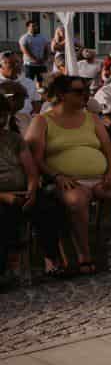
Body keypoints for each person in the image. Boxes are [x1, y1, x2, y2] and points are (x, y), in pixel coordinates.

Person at [26, 74, 111, 273]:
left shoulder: (91, 118)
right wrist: (57, 176)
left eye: (86, 91)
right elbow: (35, 158)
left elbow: (109, 148)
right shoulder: (42, 121)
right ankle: (84, 255)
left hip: (101, 178)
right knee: (76, 201)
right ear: (61, 94)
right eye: (78, 92)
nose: (85, 95)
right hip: (67, 181)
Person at [0, 90, 65, 278]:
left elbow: (30, 170)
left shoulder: (14, 139)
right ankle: (5, 266)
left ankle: (51, 258)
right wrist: (5, 197)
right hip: (3, 196)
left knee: (49, 207)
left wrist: (32, 190)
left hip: (23, 192)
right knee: (4, 216)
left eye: (3, 115)